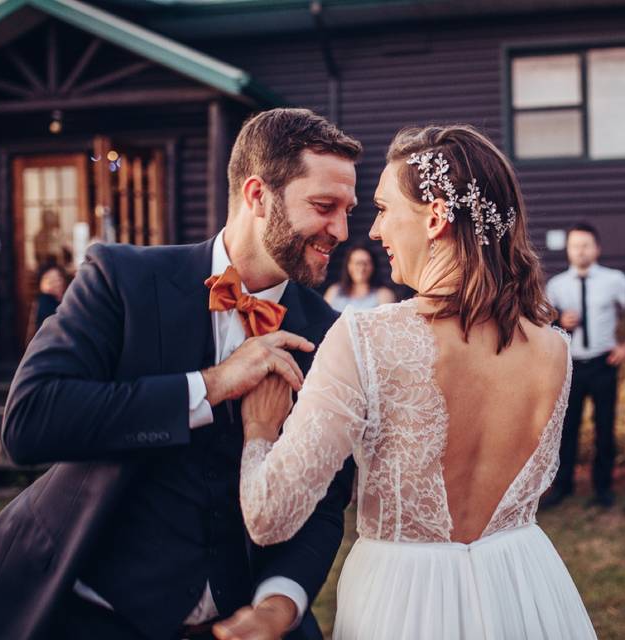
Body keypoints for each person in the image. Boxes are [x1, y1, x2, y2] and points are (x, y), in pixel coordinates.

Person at [0, 108, 362, 640]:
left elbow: (326, 501)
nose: (341, 230)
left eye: (348, 210)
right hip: (94, 616)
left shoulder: (331, 336)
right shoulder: (123, 280)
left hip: (246, 623)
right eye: (324, 207)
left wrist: (277, 604)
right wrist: (213, 383)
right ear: (258, 195)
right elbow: (31, 420)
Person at [216, 125, 597, 640]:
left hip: (406, 602)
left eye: (383, 208)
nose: (373, 232)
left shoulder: (365, 337)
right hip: (525, 586)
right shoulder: (555, 349)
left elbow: (268, 516)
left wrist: (261, 429)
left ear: (436, 218)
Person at [542, 222, 625, 509]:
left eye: (585, 245)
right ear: (568, 249)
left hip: (603, 363)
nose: (580, 251)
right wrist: (560, 321)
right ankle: (563, 486)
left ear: (597, 248)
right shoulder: (557, 285)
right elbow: (544, 325)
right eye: (575, 246)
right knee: (566, 428)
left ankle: (603, 488)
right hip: (570, 366)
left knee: (604, 427)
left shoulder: (615, 280)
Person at [324, 243, 396, 311]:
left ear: (373, 266)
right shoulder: (334, 291)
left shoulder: (384, 295)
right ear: (348, 266)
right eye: (357, 263)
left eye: (366, 263)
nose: (361, 268)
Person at [28, 263, 69, 340]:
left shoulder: (66, 301)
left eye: (57, 279)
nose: (54, 283)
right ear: (40, 284)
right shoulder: (44, 302)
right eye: (48, 279)